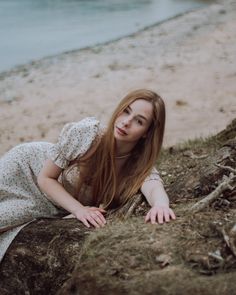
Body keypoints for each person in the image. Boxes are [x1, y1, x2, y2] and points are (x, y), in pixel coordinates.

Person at [0, 89, 175, 262]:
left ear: (147, 132)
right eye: (126, 111)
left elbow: (153, 187)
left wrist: (161, 205)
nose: (126, 122)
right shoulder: (88, 134)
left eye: (139, 121)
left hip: (51, 203)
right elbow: (46, 178)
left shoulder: (138, 163)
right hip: (26, 168)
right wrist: (79, 210)